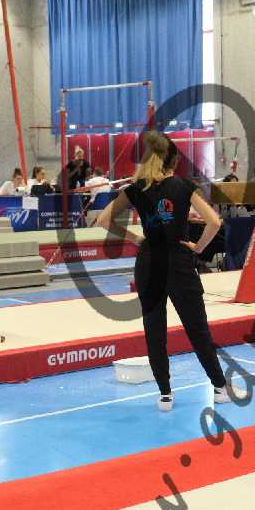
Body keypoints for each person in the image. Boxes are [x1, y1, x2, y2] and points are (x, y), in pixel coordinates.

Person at [95, 130, 230, 413]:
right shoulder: (184, 186)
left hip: (148, 262)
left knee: (154, 330)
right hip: (178, 261)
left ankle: (165, 394)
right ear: (174, 161)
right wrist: (197, 248)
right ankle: (220, 387)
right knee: (197, 328)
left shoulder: (136, 189)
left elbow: (104, 219)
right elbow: (214, 222)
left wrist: (135, 239)